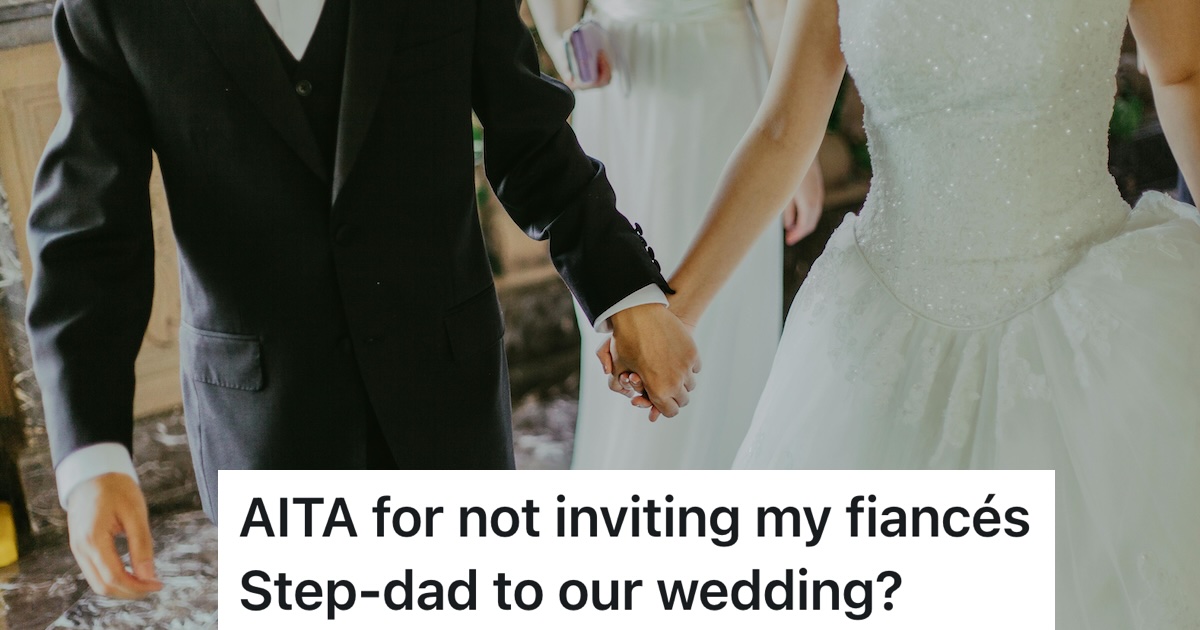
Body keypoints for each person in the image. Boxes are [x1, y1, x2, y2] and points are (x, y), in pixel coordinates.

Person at [26, 0, 700, 599]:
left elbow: (530, 139)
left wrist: (626, 293)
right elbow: (90, 235)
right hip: (268, 430)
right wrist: (91, 456)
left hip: (448, 406)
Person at [617, 0, 1200, 623]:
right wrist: (673, 309)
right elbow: (785, 128)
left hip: (1093, 327)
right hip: (881, 341)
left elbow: (1182, 73)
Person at [529, 0, 823, 468]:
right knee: (620, 281)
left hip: (686, 75)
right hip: (639, 76)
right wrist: (569, 46)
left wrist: (799, 160)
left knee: (709, 280)